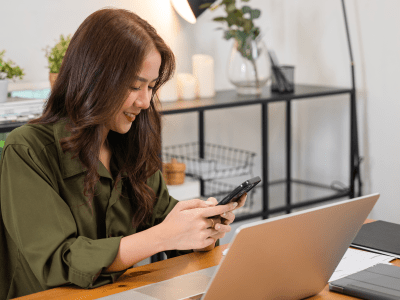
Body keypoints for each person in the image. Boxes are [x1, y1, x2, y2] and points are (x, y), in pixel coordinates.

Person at [0, 8, 247, 300]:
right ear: (95, 77)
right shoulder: (27, 150)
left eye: (151, 87)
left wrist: (203, 228)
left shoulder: (131, 146)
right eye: (134, 86)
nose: (144, 101)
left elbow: (164, 223)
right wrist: (165, 235)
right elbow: (60, 262)